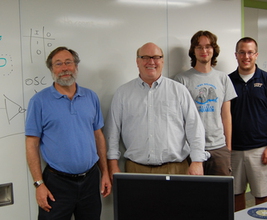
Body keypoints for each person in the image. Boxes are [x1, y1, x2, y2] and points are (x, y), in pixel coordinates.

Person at [25, 47, 111, 220]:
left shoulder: (91, 97)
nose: (64, 68)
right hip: (57, 184)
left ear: (76, 67)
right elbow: (31, 143)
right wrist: (38, 184)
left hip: (90, 180)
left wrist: (105, 173)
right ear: (52, 70)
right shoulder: (39, 101)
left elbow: (98, 136)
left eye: (68, 62)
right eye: (58, 64)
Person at [104, 42, 209, 177]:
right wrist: (113, 164)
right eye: (145, 57)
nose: (151, 61)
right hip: (135, 169)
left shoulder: (179, 91)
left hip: (175, 168)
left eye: (156, 57)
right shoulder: (123, 93)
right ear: (137, 61)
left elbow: (194, 127)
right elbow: (112, 132)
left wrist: (197, 161)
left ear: (162, 61)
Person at [229, 37, 267, 211]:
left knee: (262, 196)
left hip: (260, 150)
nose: (246, 56)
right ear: (236, 55)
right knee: (235, 194)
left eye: (250, 52)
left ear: (256, 55)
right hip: (233, 151)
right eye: (242, 52)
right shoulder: (227, 81)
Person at [174, 30, 236, 175]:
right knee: (194, 194)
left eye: (208, 46)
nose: (204, 51)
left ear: (213, 50)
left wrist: (228, 147)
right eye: (199, 47)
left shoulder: (223, 79)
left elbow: (226, 115)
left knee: (220, 194)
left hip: (219, 148)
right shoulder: (181, 80)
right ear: (193, 51)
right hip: (191, 149)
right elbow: (178, 118)